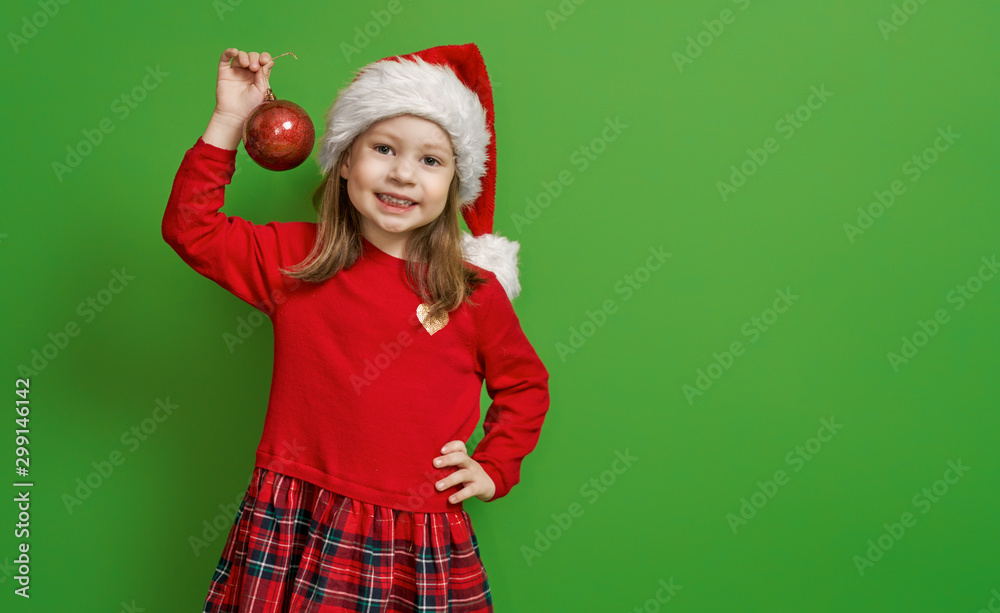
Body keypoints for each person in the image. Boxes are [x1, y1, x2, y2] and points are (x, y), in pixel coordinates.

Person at [162, 43, 550, 612]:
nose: (401, 173)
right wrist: (228, 120)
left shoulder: (474, 294)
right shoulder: (296, 259)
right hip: (295, 516)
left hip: (413, 534)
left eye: (431, 160)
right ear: (345, 159)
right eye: (384, 148)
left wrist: (493, 467)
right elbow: (190, 229)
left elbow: (525, 386)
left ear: (454, 186)